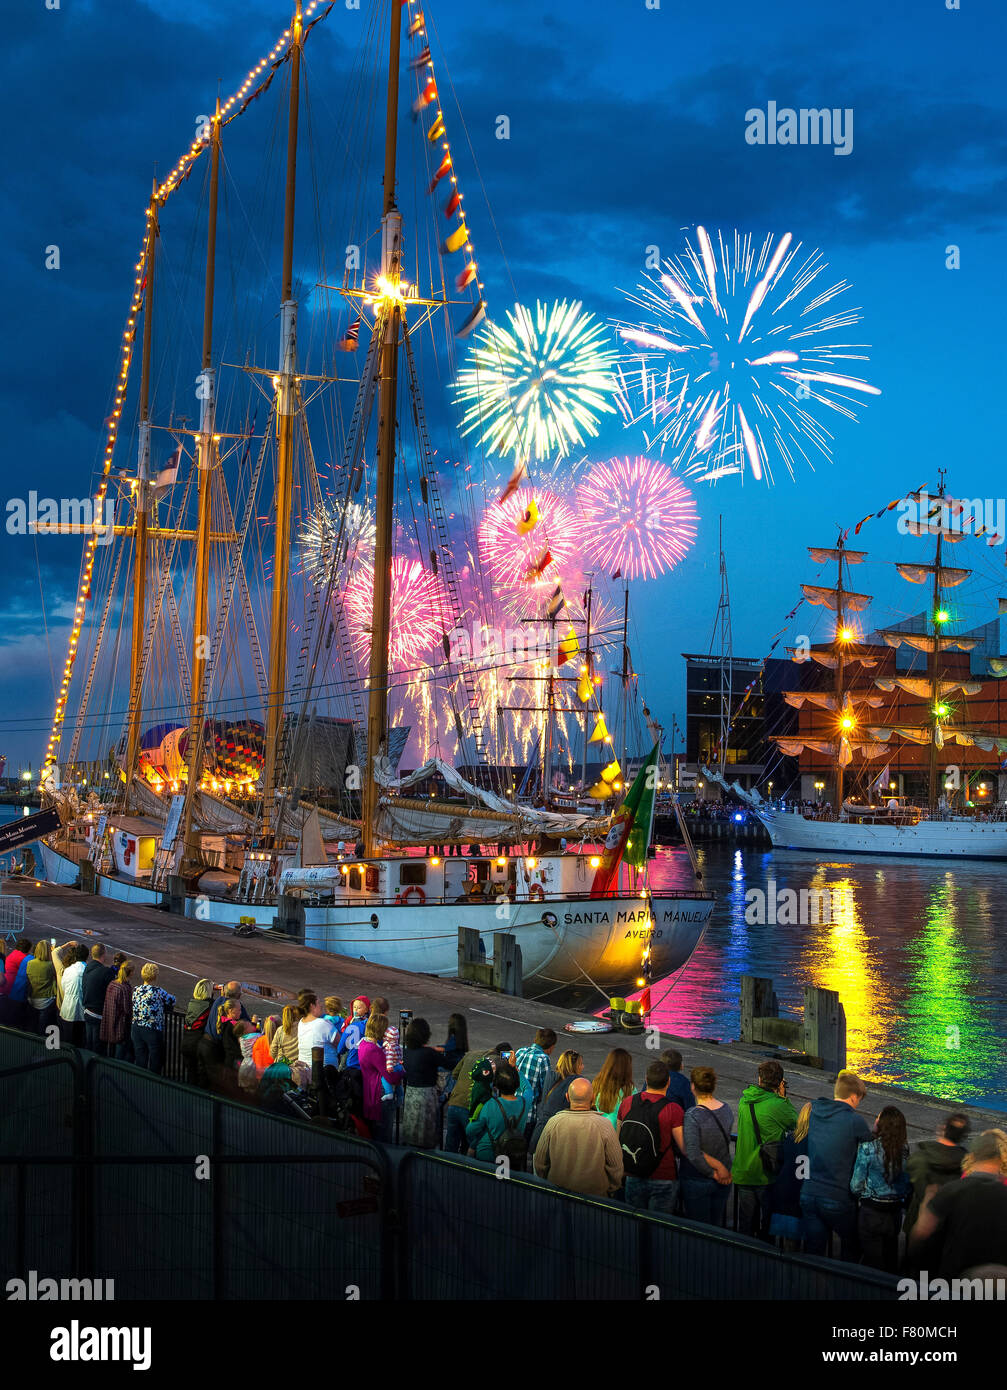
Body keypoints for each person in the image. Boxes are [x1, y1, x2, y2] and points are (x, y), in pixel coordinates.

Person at [910, 1130, 1007, 1277]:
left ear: (974, 1155)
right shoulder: (1002, 1192)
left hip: (955, 1277)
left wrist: (926, 1203)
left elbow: (921, 1233)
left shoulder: (953, 1190)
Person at [800, 1069, 872, 1260]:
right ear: (854, 1096)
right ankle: (843, 1286)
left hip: (809, 1191)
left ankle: (811, 1287)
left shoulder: (814, 1112)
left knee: (814, 1251)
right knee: (853, 1246)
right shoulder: (854, 1120)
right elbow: (871, 1151)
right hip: (837, 1195)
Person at [732, 1059, 799, 1239]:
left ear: (760, 1079)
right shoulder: (778, 1105)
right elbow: (797, 1123)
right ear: (780, 1082)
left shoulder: (744, 1100)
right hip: (766, 1174)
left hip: (743, 1171)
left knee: (745, 1225)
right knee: (768, 1226)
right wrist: (783, 1097)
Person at [534, 1076, 624, 1198]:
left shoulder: (553, 1123)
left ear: (567, 1097)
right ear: (592, 1098)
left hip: (558, 1194)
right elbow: (616, 1167)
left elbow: (540, 1163)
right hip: (595, 1199)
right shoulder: (604, 1126)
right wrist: (609, 1190)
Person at [617, 1060, 685, 1214]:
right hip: (663, 1175)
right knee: (660, 1226)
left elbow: (618, 1137)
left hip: (633, 1171)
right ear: (668, 1082)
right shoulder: (673, 1109)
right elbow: (683, 1147)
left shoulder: (627, 1103)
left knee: (634, 1222)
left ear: (646, 1079)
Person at [850, 1105, 912, 1272]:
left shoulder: (868, 1148)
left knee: (872, 1261)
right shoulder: (904, 1151)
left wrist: (867, 1195)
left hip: (871, 1210)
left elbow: (856, 1185)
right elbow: (906, 1184)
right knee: (891, 1257)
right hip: (894, 1212)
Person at [679, 1067, 734, 1227]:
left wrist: (712, 1173)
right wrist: (720, 1172)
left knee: (699, 1230)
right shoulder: (726, 1109)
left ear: (693, 1087)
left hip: (697, 1179)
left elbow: (693, 1153)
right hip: (724, 1177)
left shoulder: (692, 1115)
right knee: (715, 1226)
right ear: (713, 1086)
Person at [905, 1112, 970, 1236]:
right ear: (962, 1136)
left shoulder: (920, 1158)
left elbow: (909, 1185)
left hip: (918, 1220)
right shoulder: (967, 1164)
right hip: (947, 1224)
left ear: (943, 1129)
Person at [465, 1063, 529, 1167]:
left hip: (488, 1155)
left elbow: (470, 1130)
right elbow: (528, 1088)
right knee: (505, 1181)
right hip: (512, 1157)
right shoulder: (525, 1102)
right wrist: (516, 1071)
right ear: (516, 1083)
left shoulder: (490, 1104)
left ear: (497, 1084)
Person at [769, 1101, 812, 1248]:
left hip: (788, 1191)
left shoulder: (790, 1139)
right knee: (810, 1241)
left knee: (789, 1242)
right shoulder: (816, 1141)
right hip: (806, 1192)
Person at [401, 1017, 446, 1149]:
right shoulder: (429, 1053)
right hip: (426, 1095)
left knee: (412, 1129)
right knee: (426, 1131)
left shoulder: (406, 1052)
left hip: (410, 1093)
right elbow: (448, 1063)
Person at [358, 1013, 404, 1141]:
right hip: (380, 1095)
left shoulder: (363, 1044)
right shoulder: (374, 1050)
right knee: (383, 1136)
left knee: (374, 1134)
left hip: (370, 1093)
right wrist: (402, 1072)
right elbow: (390, 1077)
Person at [530, 1050, 585, 1151]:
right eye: (580, 1064)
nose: (583, 1067)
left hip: (539, 1133)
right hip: (556, 1138)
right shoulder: (576, 1081)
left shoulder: (550, 1076)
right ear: (573, 1066)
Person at [442, 1044, 491, 1153]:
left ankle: (447, 1168)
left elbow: (454, 1074)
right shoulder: (492, 1062)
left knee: (450, 1146)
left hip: (454, 1103)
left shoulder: (470, 1055)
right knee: (469, 1146)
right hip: (469, 1108)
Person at [129, 963, 176, 1074]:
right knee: (155, 1060)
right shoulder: (157, 991)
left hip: (136, 1027)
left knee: (140, 1059)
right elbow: (173, 1000)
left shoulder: (136, 989)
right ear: (155, 976)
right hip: (152, 1029)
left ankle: (140, 1083)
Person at [514, 1027, 557, 1139]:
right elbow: (545, 1088)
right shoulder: (543, 1058)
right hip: (528, 1114)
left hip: (513, 1109)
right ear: (551, 1047)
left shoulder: (520, 1051)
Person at [81, 944, 116, 1053]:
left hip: (87, 1011)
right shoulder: (105, 971)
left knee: (89, 1043)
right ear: (104, 954)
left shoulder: (88, 967)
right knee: (98, 1047)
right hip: (98, 1014)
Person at [180, 979, 214, 1087]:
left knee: (191, 1075)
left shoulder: (192, 1003)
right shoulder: (210, 1004)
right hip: (198, 1045)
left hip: (186, 1042)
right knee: (202, 1077)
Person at [100, 960, 134, 1060]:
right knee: (119, 1056)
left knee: (110, 1052)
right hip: (120, 1026)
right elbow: (127, 1009)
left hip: (109, 1022)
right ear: (131, 972)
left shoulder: (112, 983)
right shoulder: (125, 987)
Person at [592, 1048, 635, 1128]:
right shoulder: (630, 1089)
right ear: (627, 1069)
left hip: (599, 1129)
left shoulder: (597, 1083)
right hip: (618, 1133)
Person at [297, 993, 341, 1069]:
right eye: (318, 1003)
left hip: (304, 1069)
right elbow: (340, 1045)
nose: (321, 1005)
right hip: (324, 1071)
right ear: (312, 1006)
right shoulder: (323, 1023)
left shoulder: (301, 1022)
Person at [58, 944, 89, 1046]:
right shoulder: (88, 971)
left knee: (66, 1042)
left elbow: (64, 987)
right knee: (80, 1042)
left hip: (67, 1009)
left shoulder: (68, 970)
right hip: (82, 1012)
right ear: (87, 957)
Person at [26, 940, 57, 1036]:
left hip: (32, 998)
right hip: (46, 1000)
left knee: (33, 1024)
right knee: (42, 1027)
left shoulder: (30, 963)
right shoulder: (50, 965)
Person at [335, 996, 371, 1070]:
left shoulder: (368, 1020)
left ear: (366, 1009)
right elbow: (343, 1028)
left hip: (360, 1046)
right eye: (354, 1007)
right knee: (344, 1058)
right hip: (350, 1044)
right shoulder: (350, 1019)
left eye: (359, 1008)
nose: (356, 1010)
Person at [661, 1048, 695, 1113]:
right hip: (675, 1117)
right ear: (681, 1065)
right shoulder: (683, 1082)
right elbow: (690, 1107)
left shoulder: (654, 1076)